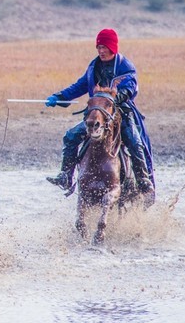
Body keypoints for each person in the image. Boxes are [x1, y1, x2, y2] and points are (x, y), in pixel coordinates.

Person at [44, 28, 154, 205]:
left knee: (135, 141)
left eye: (105, 47)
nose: (101, 51)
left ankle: (143, 180)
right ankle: (66, 175)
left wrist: (112, 98)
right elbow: (79, 86)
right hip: (97, 114)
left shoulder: (125, 66)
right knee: (71, 136)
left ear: (113, 47)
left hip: (119, 113)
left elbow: (130, 88)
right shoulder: (94, 66)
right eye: (99, 47)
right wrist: (59, 97)